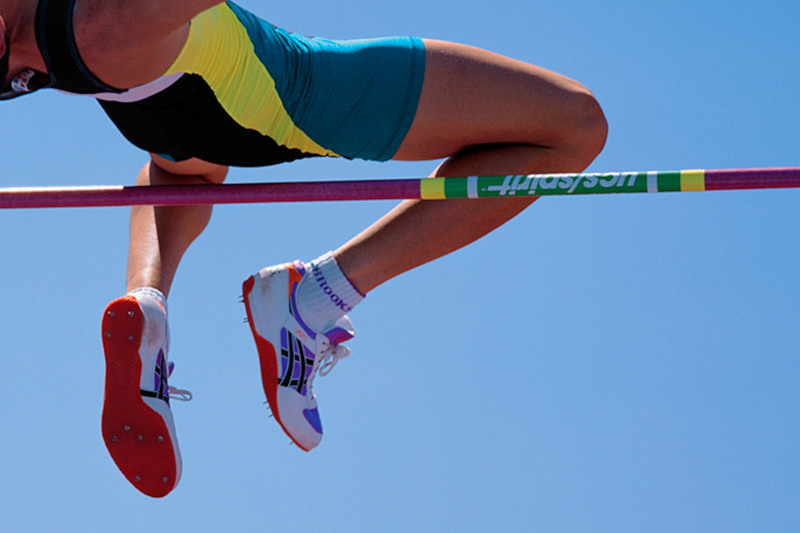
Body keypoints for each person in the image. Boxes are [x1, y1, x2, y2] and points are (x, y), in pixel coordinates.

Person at [0, 0, 608, 497]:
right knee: (573, 125)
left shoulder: (69, 37)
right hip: (290, 96)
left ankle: (147, 298)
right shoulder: (103, 18)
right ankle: (314, 297)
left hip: (165, 99)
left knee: (184, 174)